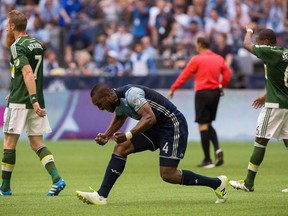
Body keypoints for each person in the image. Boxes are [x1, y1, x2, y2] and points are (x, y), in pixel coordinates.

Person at [75, 83, 229, 205]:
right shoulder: (116, 100)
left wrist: (128, 134)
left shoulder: (131, 94)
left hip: (172, 126)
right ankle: (101, 196)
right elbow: (120, 117)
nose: (100, 108)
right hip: (154, 128)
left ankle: (217, 183)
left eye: (99, 104)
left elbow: (149, 117)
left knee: (168, 175)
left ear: (109, 96)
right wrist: (106, 135)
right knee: (121, 148)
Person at [0, 10, 66, 196]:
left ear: (13, 26)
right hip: (33, 98)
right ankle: (57, 179)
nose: (5, 27)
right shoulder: (37, 43)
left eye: (7, 24)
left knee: (9, 143)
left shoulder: (16, 45)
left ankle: (4, 188)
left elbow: (28, 73)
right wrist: (29, 95)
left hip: (23, 101)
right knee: (36, 143)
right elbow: (30, 74)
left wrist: (32, 99)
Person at [229, 25, 288, 193]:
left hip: (275, 106)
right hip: (286, 104)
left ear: (267, 43)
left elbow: (246, 45)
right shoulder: (285, 53)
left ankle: (248, 183)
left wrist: (248, 31)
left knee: (260, 140)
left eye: (260, 42)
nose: (258, 45)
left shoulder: (270, 52)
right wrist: (266, 94)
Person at [167, 37, 231, 168]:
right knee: (207, 123)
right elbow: (227, 73)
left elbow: (185, 75)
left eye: (196, 44)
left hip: (202, 93)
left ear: (200, 44)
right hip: (215, 93)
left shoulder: (197, 59)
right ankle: (217, 148)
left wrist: (174, 88)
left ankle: (207, 159)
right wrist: (221, 85)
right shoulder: (219, 58)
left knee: (202, 125)